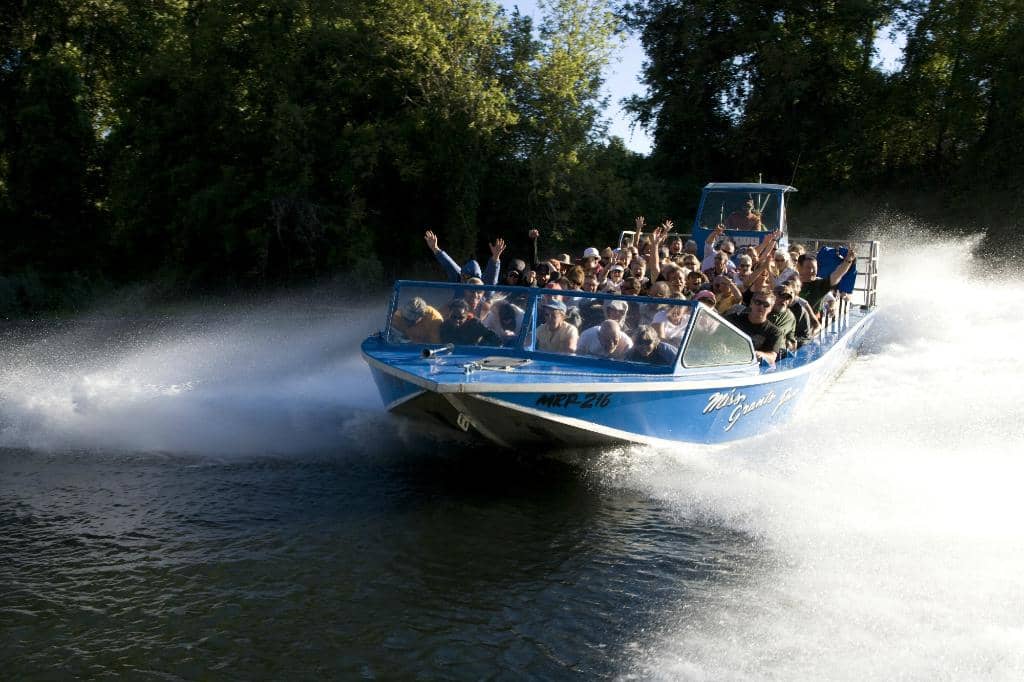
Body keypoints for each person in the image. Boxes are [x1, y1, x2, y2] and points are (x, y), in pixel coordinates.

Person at [423, 230, 504, 285]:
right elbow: (448, 264)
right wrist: (435, 248)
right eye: (463, 277)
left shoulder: (485, 286)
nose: (464, 280)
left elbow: (492, 274)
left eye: (467, 278)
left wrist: (496, 257)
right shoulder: (459, 278)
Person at [724, 291, 784, 365]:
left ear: (771, 308)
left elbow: (772, 357)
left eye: (766, 304)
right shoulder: (733, 319)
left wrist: (756, 354)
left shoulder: (774, 332)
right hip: (726, 362)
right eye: (758, 302)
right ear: (751, 303)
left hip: (752, 369)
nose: (761, 306)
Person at [797, 249, 857, 314]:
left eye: (814, 268)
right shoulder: (791, 282)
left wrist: (848, 261)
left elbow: (837, 274)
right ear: (799, 267)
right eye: (808, 268)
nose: (812, 271)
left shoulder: (819, 284)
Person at [767, 284, 798, 351]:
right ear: (772, 296)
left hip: (778, 353)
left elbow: (791, 339)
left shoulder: (790, 317)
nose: (784, 301)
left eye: (787, 298)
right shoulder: (763, 308)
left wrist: (790, 345)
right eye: (781, 296)